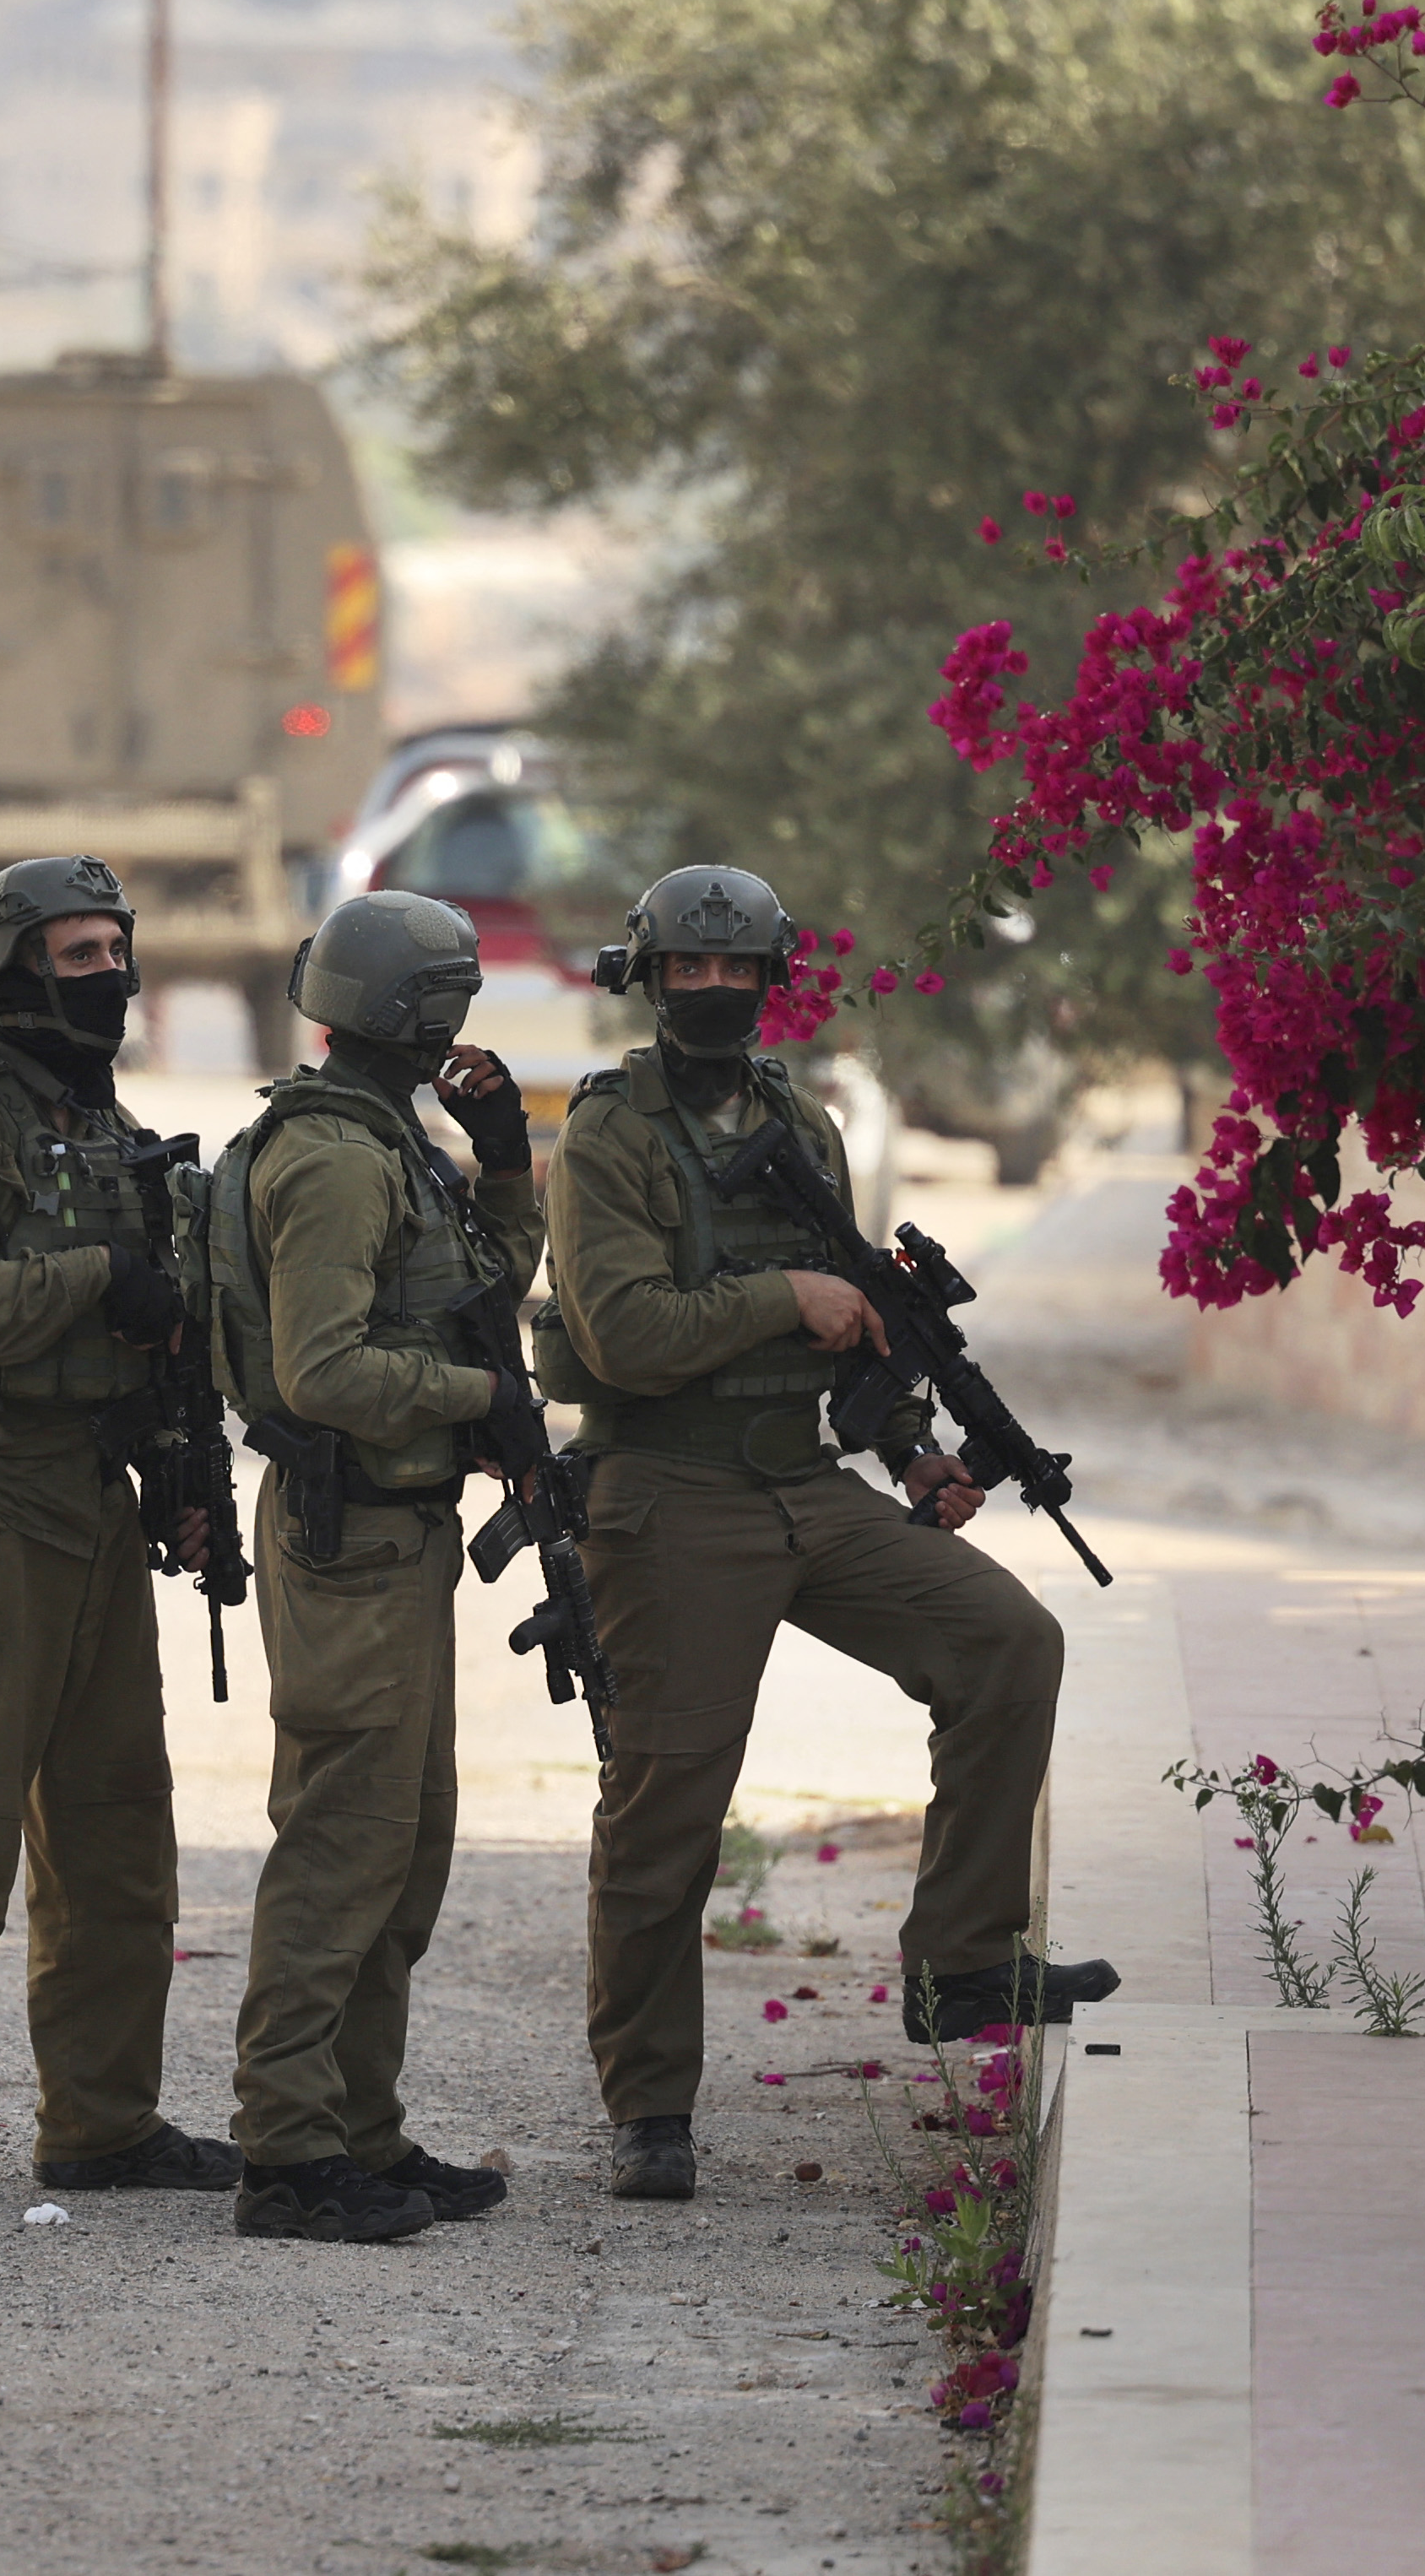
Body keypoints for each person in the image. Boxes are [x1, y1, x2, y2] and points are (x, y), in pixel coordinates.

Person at [539, 864, 1116, 2203]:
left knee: (1005, 1642)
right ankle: (650, 2105)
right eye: (689, 969)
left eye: (738, 972)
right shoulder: (608, 1135)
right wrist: (776, 1294)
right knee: (668, 1805)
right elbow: (625, 1332)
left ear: (770, 978)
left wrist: (912, 1446)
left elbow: (851, 1310)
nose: (715, 992)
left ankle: (959, 1961)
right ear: (649, 975)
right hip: (668, 1492)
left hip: (805, 1481)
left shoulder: (800, 1116)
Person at [0, 855, 239, 2216]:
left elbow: (143, 1333)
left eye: (117, 950)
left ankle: (103, 2123)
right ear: (8, 971)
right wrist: (98, 1282)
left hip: (94, 1511)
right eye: (76, 955)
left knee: (119, 1840)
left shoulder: (105, 1123)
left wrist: (170, 1462)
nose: (108, 976)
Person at [205, 890, 547, 2243]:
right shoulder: (340, 1160)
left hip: (398, 1540)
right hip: (348, 1536)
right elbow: (325, 1370)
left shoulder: (390, 1143)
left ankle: (360, 2128)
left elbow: (480, 1290)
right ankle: (288, 2156)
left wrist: (507, 1162)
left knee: (401, 1849)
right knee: (342, 1847)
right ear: (425, 1015)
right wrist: (476, 1400)